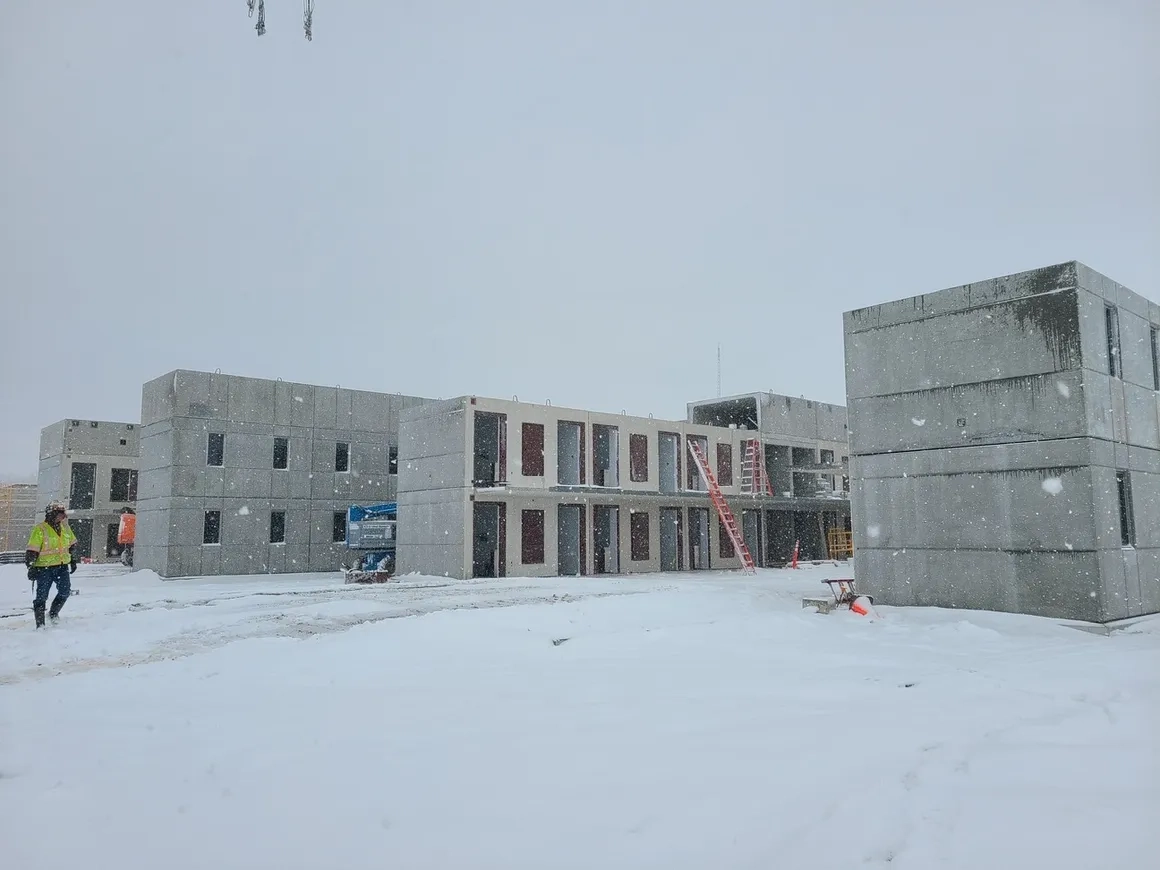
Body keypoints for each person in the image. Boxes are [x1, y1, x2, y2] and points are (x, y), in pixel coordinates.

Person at [25, 503, 78, 628]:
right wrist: (31, 566)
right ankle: (40, 624)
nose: (62, 517)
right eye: (60, 514)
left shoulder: (65, 527)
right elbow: (32, 549)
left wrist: (73, 560)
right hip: (44, 569)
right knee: (41, 596)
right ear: (51, 514)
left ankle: (53, 613)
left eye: (63, 514)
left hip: (62, 566)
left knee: (65, 591)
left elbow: (71, 545)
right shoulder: (40, 529)